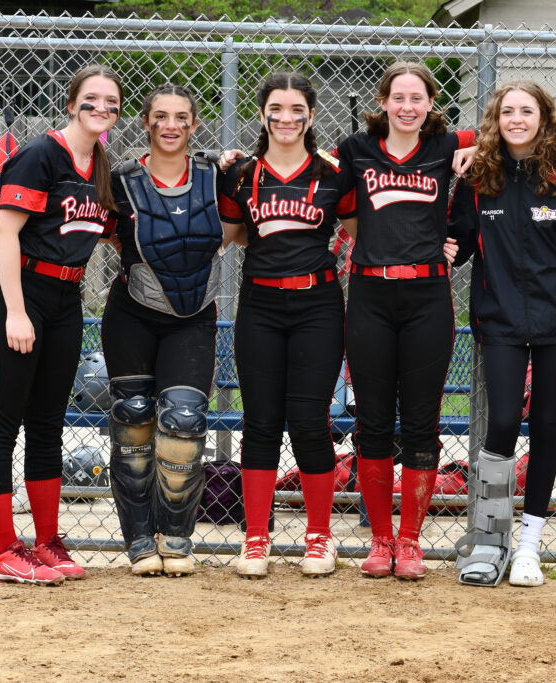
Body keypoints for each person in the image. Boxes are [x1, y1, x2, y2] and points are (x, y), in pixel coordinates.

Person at [0, 65, 122, 584]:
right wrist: (15, 310)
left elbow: (104, 231)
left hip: (65, 298)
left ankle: (44, 542)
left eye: (110, 101)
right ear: (71, 104)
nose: (100, 108)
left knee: (47, 424)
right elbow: (7, 235)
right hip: (20, 293)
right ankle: (0, 549)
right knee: (3, 419)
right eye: (91, 99)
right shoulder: (42, 154)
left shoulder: (98, 163)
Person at [445, 81, 556, 587]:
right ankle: (490, 538)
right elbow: (460, 243)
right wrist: (441, 251)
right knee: (504, 420)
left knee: (547, 424)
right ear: (495, 119)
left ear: (543, 118)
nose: (517, 119)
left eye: (527, 111)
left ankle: (529, 545)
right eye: (507, 111)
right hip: (500, 318)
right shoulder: (478, 176)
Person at [333, 61, 475, 581]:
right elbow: (305, 169)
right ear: (384, 101)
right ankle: (379, 541)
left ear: (431, 104)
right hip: (370, 292)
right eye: (399, 98)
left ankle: (410, 541)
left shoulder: (444, 145)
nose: (408, 107)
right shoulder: (356, 148)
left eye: (418, 98)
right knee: (371, 422)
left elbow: (517, 125)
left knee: (421, 423)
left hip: (427, 296)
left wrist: (478, 146)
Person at [219, 72, 354, 579]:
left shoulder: (334, 173)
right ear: (263, 114)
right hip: (260, 305)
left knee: (309, 421)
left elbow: (362, 232)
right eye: (277, 108)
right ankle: (257, 538)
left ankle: (319, 536)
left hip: (317, 305)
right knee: (259, 422)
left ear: (311, 116)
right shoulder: (241, 175)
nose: (287, 117)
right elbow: (230, 235)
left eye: (297, 109)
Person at [103, 84, 233, 577]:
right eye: (160, 116)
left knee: (183, 422)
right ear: (146, 123)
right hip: (132, 311)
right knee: (133, 422)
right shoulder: (120, 182)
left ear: (195, 123)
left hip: (192, 314)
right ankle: (139, 537)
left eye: (181, 116)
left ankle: (175, 536)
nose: (171, 125)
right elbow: (98, 230)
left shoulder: (218, 176)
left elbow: (246, 218)